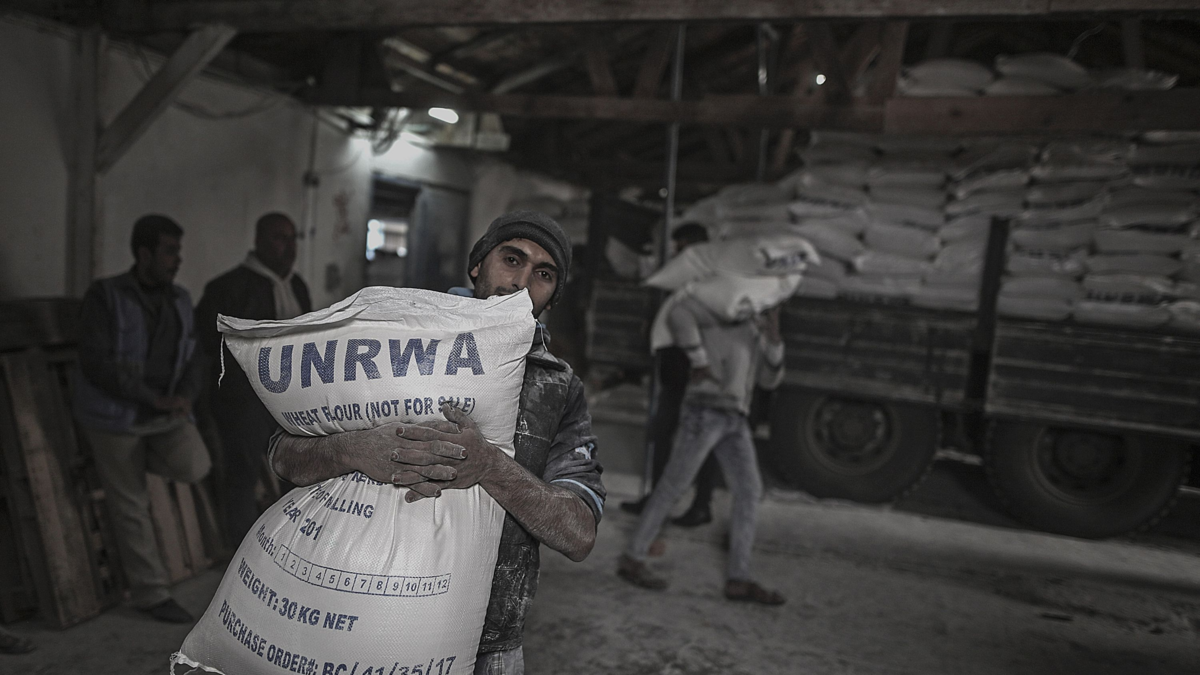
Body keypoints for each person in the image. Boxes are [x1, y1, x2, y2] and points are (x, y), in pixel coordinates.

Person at [269, 211, 605, 675]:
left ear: (554, 296)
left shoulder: (557, 388)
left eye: (543, 275)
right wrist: (353, 449)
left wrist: (491, 467)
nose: (522, 284)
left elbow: (579, 534)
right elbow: (283, 457)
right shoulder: (393, 339)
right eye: (512, 259)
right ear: (477, 265)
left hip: (488, 644)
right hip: (351, 612)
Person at [74, 214, 212, 623]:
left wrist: (184, 396)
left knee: (195, 464)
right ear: (143, 253)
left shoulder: (180, 298)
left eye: (178, 251)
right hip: (114, 416)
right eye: (169, 251)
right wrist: (153, 399)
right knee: (130, 504)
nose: (177, 260)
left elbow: (195, 356)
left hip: (160, 415)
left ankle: (129, 463)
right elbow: (97, 363)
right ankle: (151, 594)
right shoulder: (106, 295)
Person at [617, 292, 787, 606]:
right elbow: (678, 313)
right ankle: (633, 557)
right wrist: (698, 358)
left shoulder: (756, 330)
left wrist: (773, 338)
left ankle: (738, 578)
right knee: (673, 486)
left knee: (749, 491)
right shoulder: (717, 313)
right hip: (704, 412)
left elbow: (769, 380)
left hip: (735, 418)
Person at [194, 213, 311, 546]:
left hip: (290, 400)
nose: (289, 247)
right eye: (279, 238)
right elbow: (208, 347)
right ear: (258, 241)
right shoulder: (227, 288)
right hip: (244, 402)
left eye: (292, 239)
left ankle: (291, 547)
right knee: (242, 476)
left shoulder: (297, 286)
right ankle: (241, 552)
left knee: (297, 470)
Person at [621, 222, 721, 528]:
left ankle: (702, 504)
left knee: (699, 441)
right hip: (675, 372)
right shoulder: (681, 276)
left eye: (682, 248)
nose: (678, 254)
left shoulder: (711, 280)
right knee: (662, 434)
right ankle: (657, 498)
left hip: (696, 373)